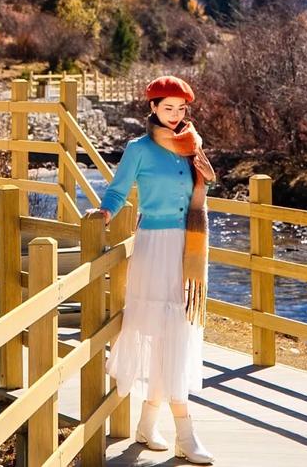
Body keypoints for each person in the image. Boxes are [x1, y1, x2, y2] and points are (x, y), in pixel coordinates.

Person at [83, 74, 216, 464]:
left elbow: (196, 196)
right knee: (160, 330)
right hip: (155, 246)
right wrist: (105, 212)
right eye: (167, 108)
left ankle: (148, 423)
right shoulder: (138, 148)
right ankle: (185, 434)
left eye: (181, 109)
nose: (175, 116)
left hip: (187, 248)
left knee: (178, 329)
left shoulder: (192, 147)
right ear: (153, 109)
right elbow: (119, 189)